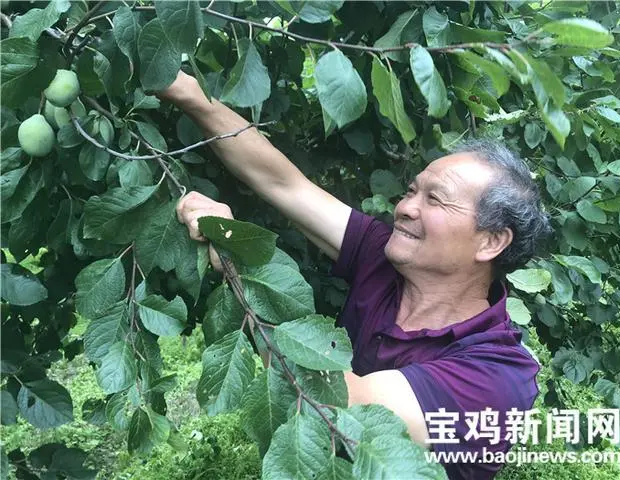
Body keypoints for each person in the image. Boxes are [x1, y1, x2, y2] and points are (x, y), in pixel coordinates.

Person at [160, 71, 551, 479]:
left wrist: (237, 255)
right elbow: (283, 184)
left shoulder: (497, 380)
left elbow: (337, 402)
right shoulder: (385, 256)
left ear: (490, 242)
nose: (405, 208)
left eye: (434, 199)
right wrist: (185, 89)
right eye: (412, 190)